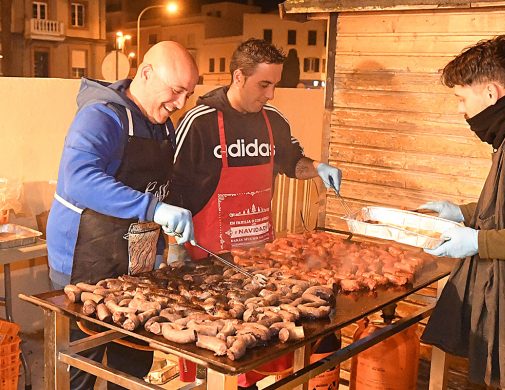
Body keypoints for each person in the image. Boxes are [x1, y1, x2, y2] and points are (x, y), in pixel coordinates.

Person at [171, 38, 342, 389]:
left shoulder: (273, 121)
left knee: (256, 346)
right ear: (238, 77)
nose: (271, 94)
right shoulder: (200, 121)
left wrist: (318, 168)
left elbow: (293, 163)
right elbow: (171, 185)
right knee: (214, 354)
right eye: (264, 84)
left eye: (275, 85)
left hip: (259, 258)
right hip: (206, 260)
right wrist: (171, 238)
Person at [46, 41, 198, 389]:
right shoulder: (101, 116)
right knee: (81, 365)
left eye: (187, 94)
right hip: (84, 262)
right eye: (175, 91)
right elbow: (79, 179)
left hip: (136, 264)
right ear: (145, 73)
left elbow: (160, 185)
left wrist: (170, 244)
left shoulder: (162, 125)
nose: (180, 104)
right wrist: (153, 208)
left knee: (131, 364)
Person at [419, 35, 505, 389]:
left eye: (462, 98)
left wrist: (479, 241)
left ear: (491, 94)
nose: (460, 110)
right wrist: (462, 213)